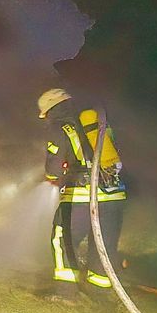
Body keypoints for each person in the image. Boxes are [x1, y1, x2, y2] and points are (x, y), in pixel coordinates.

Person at [37, 88, 126, 298]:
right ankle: (99, 294)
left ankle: (66, 292)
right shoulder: (94, 121)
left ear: (50, 110)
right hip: (114, 194)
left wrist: (51, 177)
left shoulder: (60, 127)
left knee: (63, 237)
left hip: (81, 195)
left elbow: (55, 168)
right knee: (103, 244)